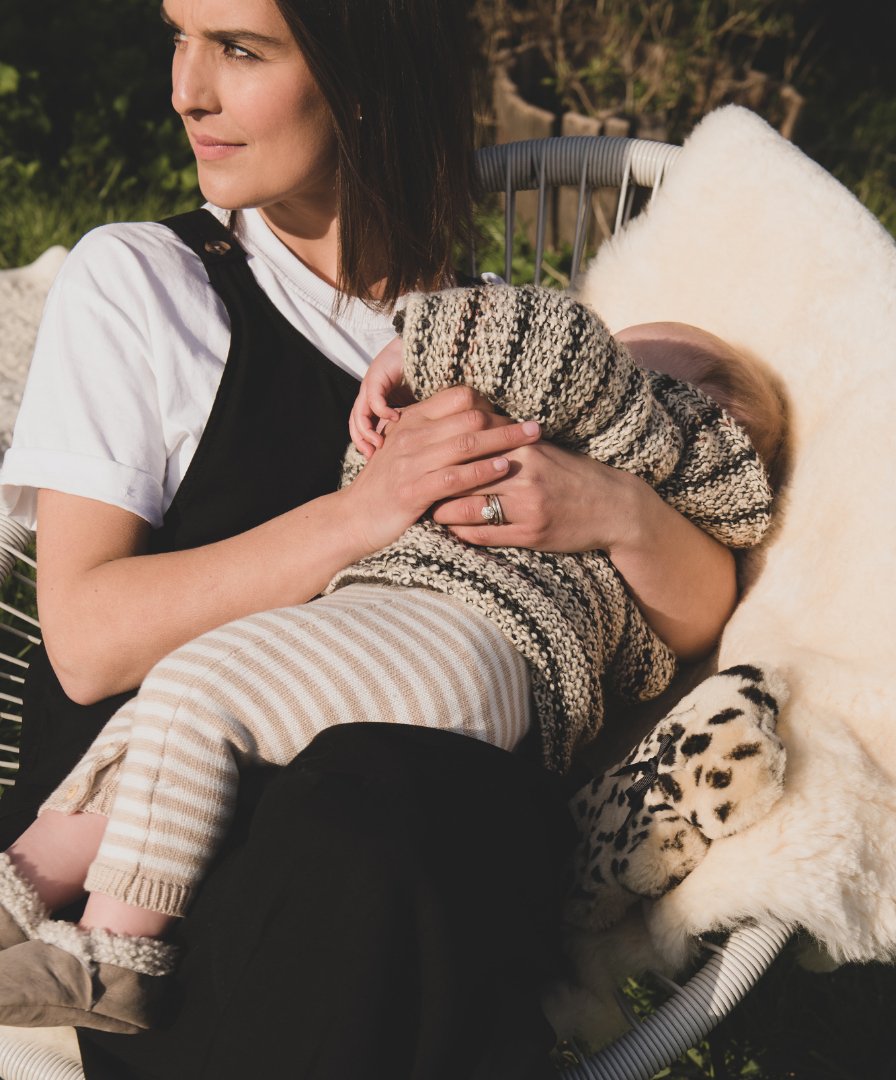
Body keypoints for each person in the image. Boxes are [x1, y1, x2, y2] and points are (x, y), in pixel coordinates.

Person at [0, 1, 747, 1075]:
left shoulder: (505, 344)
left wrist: (608, 508)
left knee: (381, 799)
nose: (184, 88)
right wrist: (365, 509)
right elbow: (84, 638)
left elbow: (692, 623)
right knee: (357, 819)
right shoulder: (152, 286)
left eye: (239, 49)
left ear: (362, 75)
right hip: (157, 853)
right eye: (180, 36)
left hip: (408, 846)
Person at [0, 283, 784, 1034]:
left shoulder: (662, 445)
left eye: (635, 371)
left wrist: (419, 346)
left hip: (479, 639)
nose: (602, 381)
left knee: (195, 692)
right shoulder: (553, 448)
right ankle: (21, 890)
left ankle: (113, 961)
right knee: (159, 716)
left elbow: (564, 354)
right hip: (386, 621)